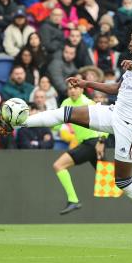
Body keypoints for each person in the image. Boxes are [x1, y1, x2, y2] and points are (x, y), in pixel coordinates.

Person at [0, 23, 132, 241]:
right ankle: (13, 124)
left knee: (122, 181)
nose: (130, 42)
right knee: (65, 113)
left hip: (131, 126)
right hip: (114, 112)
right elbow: (116, 88)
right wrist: (85, 83)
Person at [49, 82, 109, 214]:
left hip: (93, 143)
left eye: (75, 88)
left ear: (82, 89)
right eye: (70, 88)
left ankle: (73, 201)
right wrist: (48, 123)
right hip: (88, 144)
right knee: (114, 182)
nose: (72, 91)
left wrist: (101, 141)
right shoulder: (65, 103)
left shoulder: (89, 104)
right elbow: (58, 125)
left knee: (59, 165)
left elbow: (106, 122)